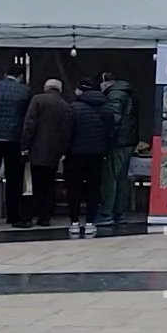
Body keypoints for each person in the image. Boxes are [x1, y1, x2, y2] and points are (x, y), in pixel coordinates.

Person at [0, 66, 34, 228]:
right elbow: (27, 118)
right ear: (21, 76)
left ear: (5, 73)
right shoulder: (24, 91)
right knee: (14, 180)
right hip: (13, 139)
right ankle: (13, 215)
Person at [66, 79, 116, 237]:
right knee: (94, 188)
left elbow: (67, 132)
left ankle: (74, 222)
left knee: (74, 188)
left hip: (75, 154)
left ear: (80, 91)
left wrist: (64, 151)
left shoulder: (74, 108)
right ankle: (90, 222)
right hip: (97, 154)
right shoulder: (107, 108)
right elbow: (112, 133)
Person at [20, 78, 73, 228]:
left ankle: (28, 217)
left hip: (36, 150)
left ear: (46, 87)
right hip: (53, 153)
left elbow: (29, 123)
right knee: (49, 185)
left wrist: (25, 145)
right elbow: (66, 131)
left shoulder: (37, 100)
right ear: (59, 90)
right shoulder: (65, 105)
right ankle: (45, 217)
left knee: (31, 185)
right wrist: (62, 150)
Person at [99, 72, 138, 227]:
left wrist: (106, 138)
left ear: (105, 82)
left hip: (118, 142)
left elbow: (113, 119)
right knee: (122, 177)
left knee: (110, 178)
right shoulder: (128, 93)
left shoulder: (114, 95)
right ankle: (120, 212)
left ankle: (107, 212)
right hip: (129, 140)